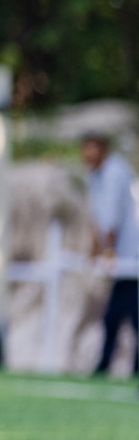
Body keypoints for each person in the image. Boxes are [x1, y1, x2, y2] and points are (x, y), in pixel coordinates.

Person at [83, 133, 139, 377]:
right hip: (121, 259)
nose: (87, 154)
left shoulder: (114, 173)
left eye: (92, 148)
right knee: (116, 314)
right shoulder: (95, 176)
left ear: (103, 149)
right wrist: (94, 252)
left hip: (129, 255)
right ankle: (106, 362)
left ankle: (107, 363)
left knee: (126, 314)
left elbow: (111, 219)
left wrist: (107, 253)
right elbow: (98, 219)